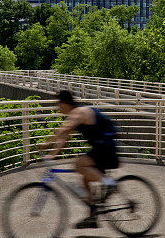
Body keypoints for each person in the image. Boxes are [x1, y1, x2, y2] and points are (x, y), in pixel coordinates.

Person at [41, 90, 119, 228]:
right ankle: (93, 216)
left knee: (79, 165)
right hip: (100, 148)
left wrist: (46, 143)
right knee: (84, 180)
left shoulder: (79, 112)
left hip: (106, 147)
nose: (58, 108)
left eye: (58, 104)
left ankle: (109, 183)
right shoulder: (73, 115)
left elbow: (64, 129)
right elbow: (63, 139)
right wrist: (51, 155)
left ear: (65, 103)